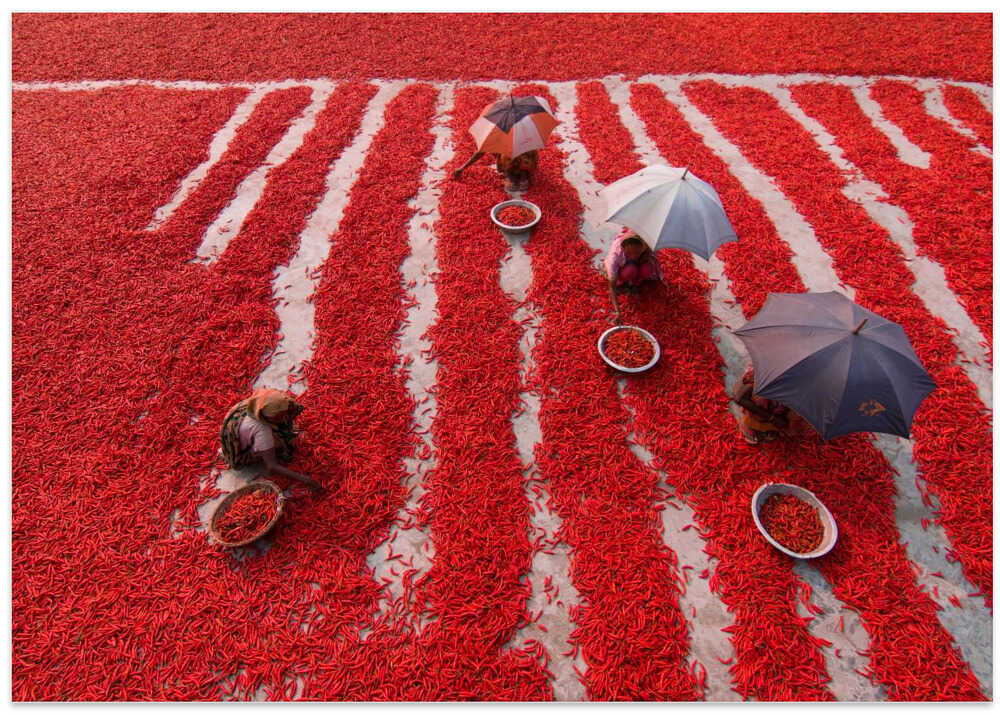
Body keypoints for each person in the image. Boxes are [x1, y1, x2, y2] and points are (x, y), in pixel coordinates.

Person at [220, 387, 324, 492]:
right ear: (266, 417)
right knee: (279, 443)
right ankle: (254, 450)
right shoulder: (262, 429)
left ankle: (260, 439)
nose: (283, 417)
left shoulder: (258, 403)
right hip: (239, 449)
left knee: (289, 411)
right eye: (278, 416)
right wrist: (305, 480)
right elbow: (272, 466)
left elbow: (290, 405)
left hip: (238, 429)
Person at [604, 227, 663, 323]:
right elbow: (611, 286)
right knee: (630, 271)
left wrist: (661, 280)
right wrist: (617, 311)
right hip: (624, 270)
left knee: (648, 269)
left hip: (638, 264)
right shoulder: (615, 255)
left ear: (643, 248)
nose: (633, 256)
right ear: (623, 248)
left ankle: (635, 283)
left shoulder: (647, 247)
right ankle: (625, 282)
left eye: (637, 252)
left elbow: (655, 263)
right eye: (629, 253)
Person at [733, 368, 799, 444]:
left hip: (779, 408)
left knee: (795, 418)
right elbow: (739, 398)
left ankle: (772, 427)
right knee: (761, 400)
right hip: (760, 407)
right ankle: (753, 427)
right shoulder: (768, 373)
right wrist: (772, 417)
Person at [452, 149, 539, 192]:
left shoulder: (526, 133)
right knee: (505, 155)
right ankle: (509, 174)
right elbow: (482, 151)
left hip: (524, 161)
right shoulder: (499, 134)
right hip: (508, 162)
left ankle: (524, 175)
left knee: (526, 155)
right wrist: (463, 167)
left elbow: (533, 158)